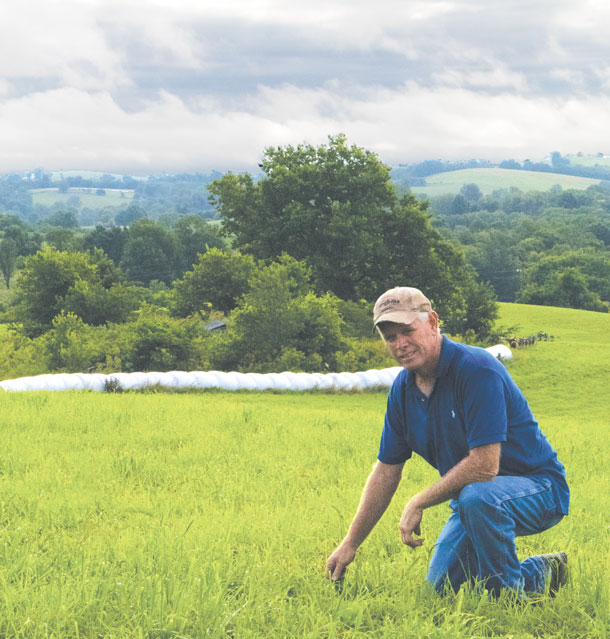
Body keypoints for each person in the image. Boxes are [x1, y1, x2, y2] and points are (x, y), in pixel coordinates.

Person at [326, 286, 569, 597]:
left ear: (432, 322)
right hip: (475, 502)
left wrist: (419, 500)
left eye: (407, 330)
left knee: (478, 499)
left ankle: (510, 599)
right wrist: (350, 544)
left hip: (540, 489)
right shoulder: (402, 391)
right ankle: (547, 570)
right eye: (390, 337)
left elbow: (484, 465)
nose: (400, 344)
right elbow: (387, 470)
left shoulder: (477, 370)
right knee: (437, 592)